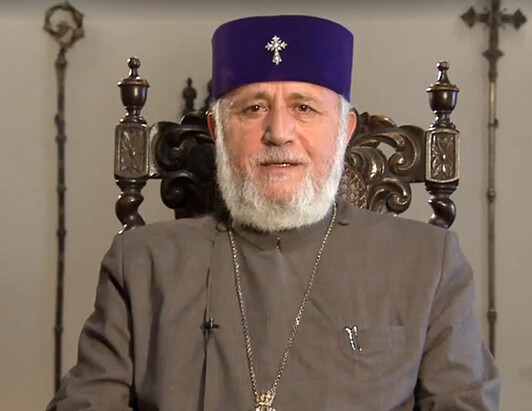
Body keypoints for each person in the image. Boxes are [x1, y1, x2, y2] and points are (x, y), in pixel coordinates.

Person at [48, 15, 499, 410]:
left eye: (304, 108)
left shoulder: (427, 263)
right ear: (217, 131)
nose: (278, 132)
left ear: (344, 131)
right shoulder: (141, 263)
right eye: (254, 108)